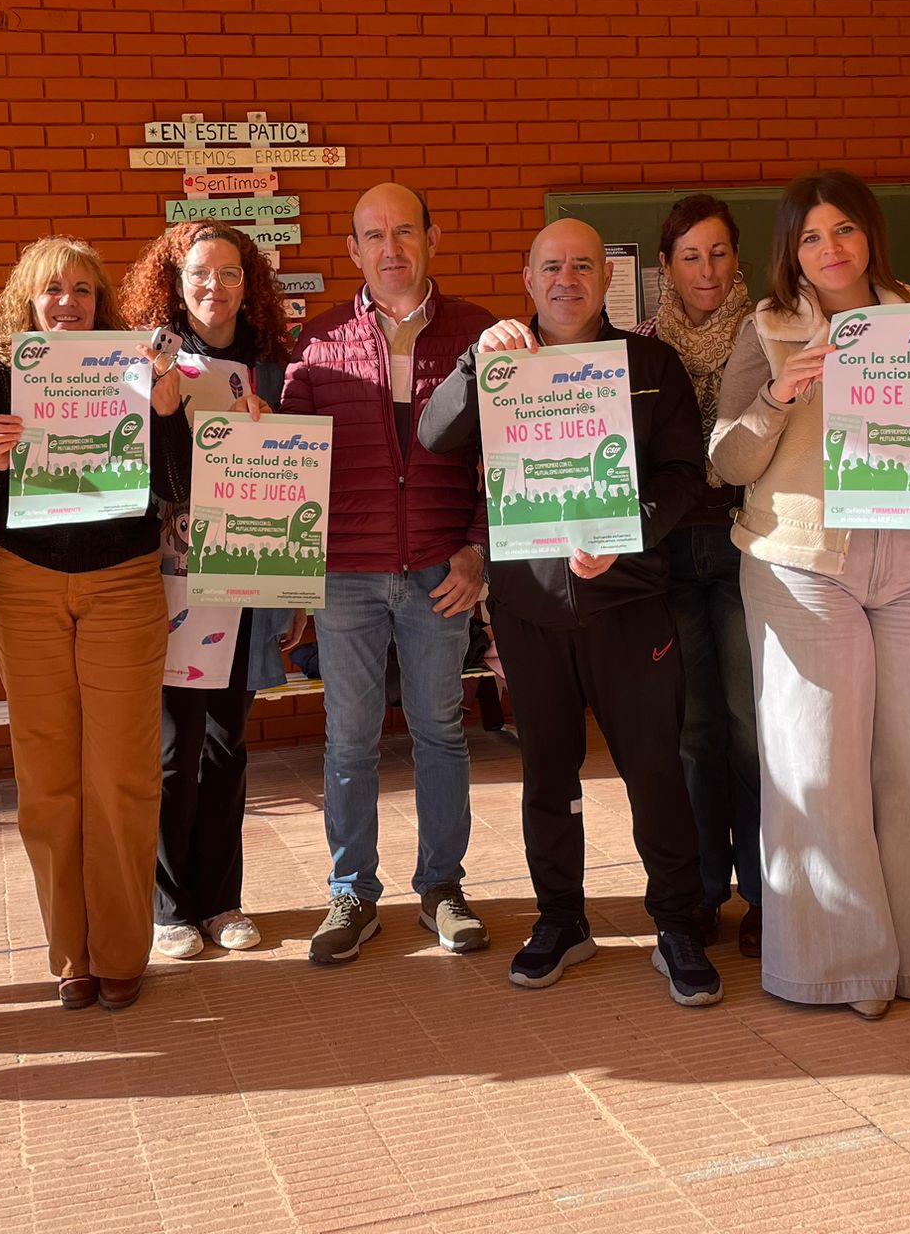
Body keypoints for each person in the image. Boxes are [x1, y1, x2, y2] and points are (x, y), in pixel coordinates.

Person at [420, 218, 721, 1005]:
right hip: (530, 612)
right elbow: (433, 433)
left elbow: (688, 475)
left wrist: (630, 535)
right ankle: (562, 920)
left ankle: (678, 923)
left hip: (631, 607)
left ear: (605, 279)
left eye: (583, 265)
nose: (567, 280)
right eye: (551, 266)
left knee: (655, 773)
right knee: (546, 776)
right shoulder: (500, 365)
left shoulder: (652, 364)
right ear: (527, 279)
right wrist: (470, 364)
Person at [710, 170, 910, 1017]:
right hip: (801, 564)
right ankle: (840, 967)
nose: (831, 249)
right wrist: (778, 395)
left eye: (845, 231)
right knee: (815, 763)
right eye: (812, 236)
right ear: (792, 249)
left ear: (872, 236)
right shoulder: (766, 328)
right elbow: (726, 461)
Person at [0, 236, 189, 1011]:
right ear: (26, 304)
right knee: (47, 778)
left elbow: (175, 482)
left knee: (121, 776)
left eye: (82, 292)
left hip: (123, 584)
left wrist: (166, 406)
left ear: (101, 306)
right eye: (51, 290)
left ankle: (122, 952)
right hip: (26, 585)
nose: (66, 303)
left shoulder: (139, 376)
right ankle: (71, 956)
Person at [279, 183, 495, 964]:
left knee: (442, 733)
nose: (392, 248)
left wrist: (478, 549)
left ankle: (443, 888)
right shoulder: (321, 342)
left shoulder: (479, 335)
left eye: (405, 231)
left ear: (433, 236)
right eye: (374, 235)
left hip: (444, 571)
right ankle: (352, 894)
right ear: (353, 250)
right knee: (348, 741)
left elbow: (503, 461)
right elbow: (287, 467)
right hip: (347, 577)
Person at [118, 222, 294, 960]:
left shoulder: (272, 366)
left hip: (250, 573)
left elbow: (294, 465)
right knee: (171, 746)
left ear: (247, 284)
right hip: (172, 574)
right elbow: (139, 475)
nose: (213, 286)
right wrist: (163, 413)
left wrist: (273, 429)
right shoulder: (146, 359)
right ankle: (168, 906)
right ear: (175, 280)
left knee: (225, 742)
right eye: (198, 273)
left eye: (228, 273)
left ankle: (221, 902)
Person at [634, 194, 761, 958]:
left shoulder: (771, 333)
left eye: (718, 253)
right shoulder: (641, 347)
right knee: (692, 730)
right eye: (690, 255)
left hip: (750, 547)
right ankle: (705, 891)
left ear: (736, 257)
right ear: (666, 266)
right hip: (671, 556)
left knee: (752, 728)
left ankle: (766, 895)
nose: (706, 269)